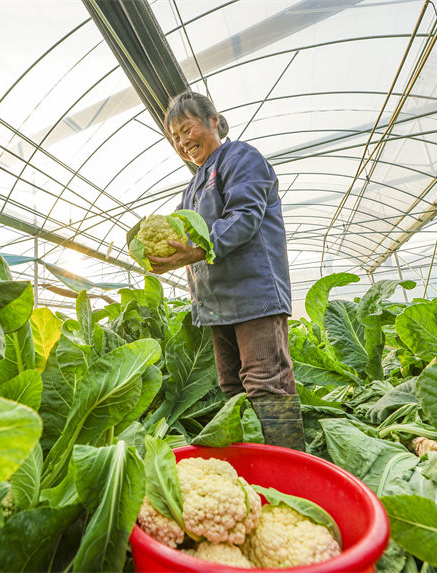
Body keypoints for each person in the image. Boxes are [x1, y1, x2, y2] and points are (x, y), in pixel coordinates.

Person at [147, 91, 304, 451]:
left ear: (213, 121)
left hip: (254, 296)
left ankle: (289, 470)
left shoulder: (240, 158)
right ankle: (251, 468)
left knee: (267, 383)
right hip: (217, 305)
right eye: (175, 138)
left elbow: (245, 216)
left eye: (187, 129)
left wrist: (198, 249)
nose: (184, 142)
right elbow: (183, 239)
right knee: (231, 387)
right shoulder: (191, 189)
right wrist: (163, 254)